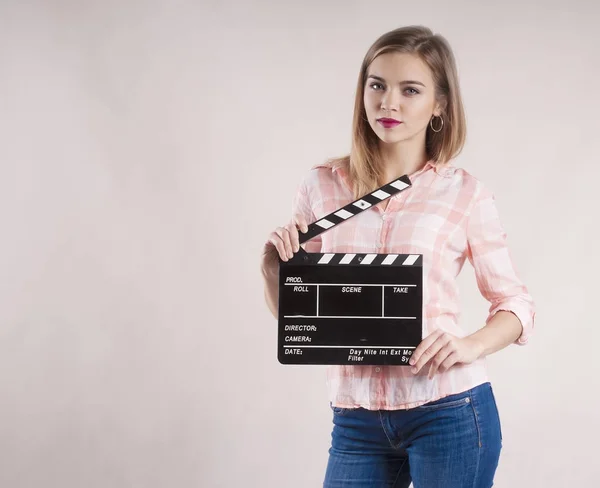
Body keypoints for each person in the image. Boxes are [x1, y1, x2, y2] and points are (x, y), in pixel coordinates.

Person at [260, 25, 535, 488]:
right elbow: (300, 320)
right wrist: (273, 268)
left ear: (439, 105)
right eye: (377, 85)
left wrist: (468, 345)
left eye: (411, 90)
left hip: (448, 409)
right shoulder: (321, 186)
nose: (389, 103)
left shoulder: (464, 193)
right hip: (355, 418)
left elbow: (516, 305)